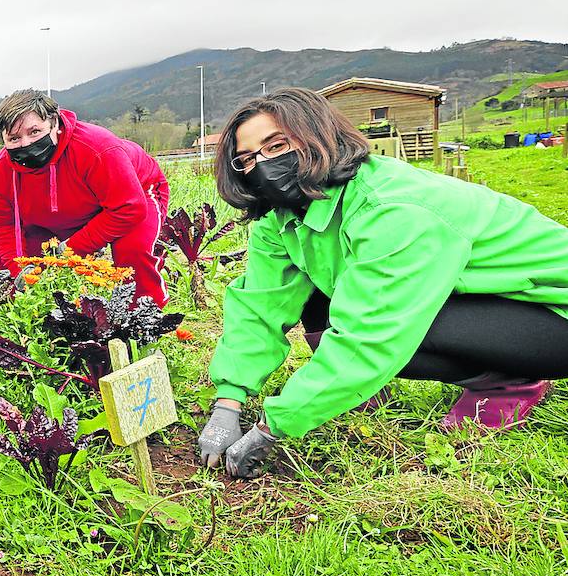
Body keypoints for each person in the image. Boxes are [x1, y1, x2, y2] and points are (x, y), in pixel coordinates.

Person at [197, 88, 568, 479]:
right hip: (487, 304)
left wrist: (274, 427)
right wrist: (229, 401)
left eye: (277, 146)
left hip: (552, 313)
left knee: (402, 324)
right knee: (321, 301)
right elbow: (259, 306)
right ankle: (353, 391)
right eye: (247, 159)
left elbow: (371, 333)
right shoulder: (282, 221)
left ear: (318, 135)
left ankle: (509, 383)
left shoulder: (394, 208)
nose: (263, 165)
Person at [0, 90, 170, 305]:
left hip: (134, 195)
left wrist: (71, 249)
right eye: (14, 138)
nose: (26, 144)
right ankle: (38, 312)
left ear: (54, 123)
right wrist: (20, 270)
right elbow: (1, 225)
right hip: (61, 213)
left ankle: (145, 311)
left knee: (132, 251)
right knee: (20, 262)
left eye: (34, 132)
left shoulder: (96, 148)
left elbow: (128, 209)